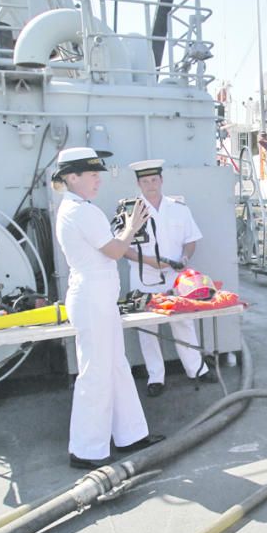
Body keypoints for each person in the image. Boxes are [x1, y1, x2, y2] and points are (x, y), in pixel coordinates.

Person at [52, 147, 164, 469]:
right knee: (96, 372)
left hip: (97, 297)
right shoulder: (81, 211)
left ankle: (131, 434)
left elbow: (104, 248)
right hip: (93, 299)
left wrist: (122, 231)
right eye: (92, 174)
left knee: (115, 365)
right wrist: (132, 226)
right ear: (72, 177)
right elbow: (115, 251)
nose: (98, 179)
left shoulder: (77, 208)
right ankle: (86, 449)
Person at [125, 159, 215, 397]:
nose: (150, 185)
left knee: (183, 321)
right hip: (144, 277)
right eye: (145, 181)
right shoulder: (129, 212)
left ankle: (196, 368)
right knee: (147, 327)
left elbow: (191, 240)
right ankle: (156, 377)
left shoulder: (179, 208)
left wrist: (185, 258)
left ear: (161, 180)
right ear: (138, 184)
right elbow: (123, 247)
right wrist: (151, 262)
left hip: (175, 277)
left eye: (154, 180)